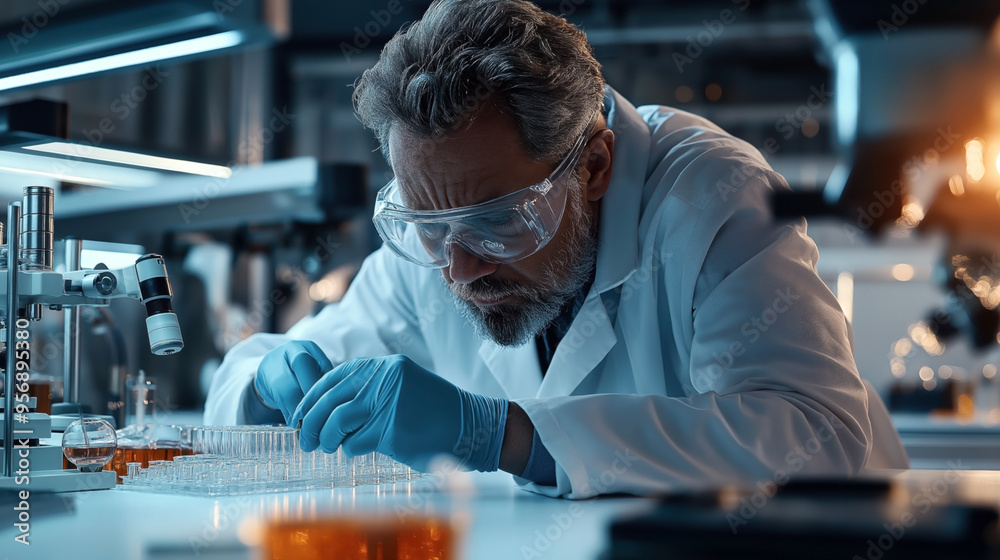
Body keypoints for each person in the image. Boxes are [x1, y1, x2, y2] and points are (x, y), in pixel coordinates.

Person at [205, 0, 908, 498]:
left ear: (594, 167)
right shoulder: (441, 234)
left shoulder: (714, 197)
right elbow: (242, 381)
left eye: (498, 220)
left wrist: (506, 436)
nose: (459, 269)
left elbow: (817, 436)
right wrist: (271, 387)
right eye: (429, 223)